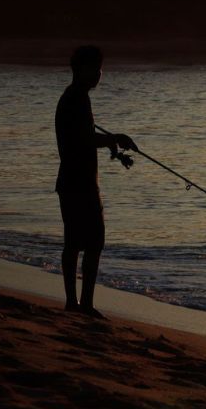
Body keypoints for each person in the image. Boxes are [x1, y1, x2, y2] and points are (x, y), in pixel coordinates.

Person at [55, 45, 136, 319]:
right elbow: (85, 140)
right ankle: (80, 304)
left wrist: (116, 150)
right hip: (79, 183)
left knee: (79, 243)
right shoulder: (75, 99)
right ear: (82, 69)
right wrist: (115, 138)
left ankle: (76, 303)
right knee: (89, 243)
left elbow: (87, 137)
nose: (100, 74)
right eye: (96, 69)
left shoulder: (76, 98)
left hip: (75, 181)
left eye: (100, 69)